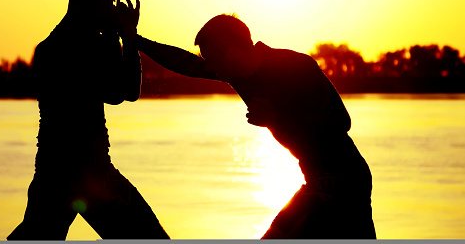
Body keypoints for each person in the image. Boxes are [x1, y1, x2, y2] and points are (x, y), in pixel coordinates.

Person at [133, 13, 376, 239]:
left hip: (345, 179)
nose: (211, 68)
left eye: (211, 59)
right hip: (313, 179)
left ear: (230, 53)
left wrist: (277, 118)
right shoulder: (237, 73)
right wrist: (134, 39)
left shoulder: (296, 66)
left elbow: (341, 120)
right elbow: (185, 63)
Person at [7, 0, 169, 240]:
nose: (113, 14)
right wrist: (126, 36)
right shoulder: (89, 44)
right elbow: (126, 92)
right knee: (150, 238)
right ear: (94, 7)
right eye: (109, 8)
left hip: (52, 172)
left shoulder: (47, 47)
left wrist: (115, 36)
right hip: (92, 174)